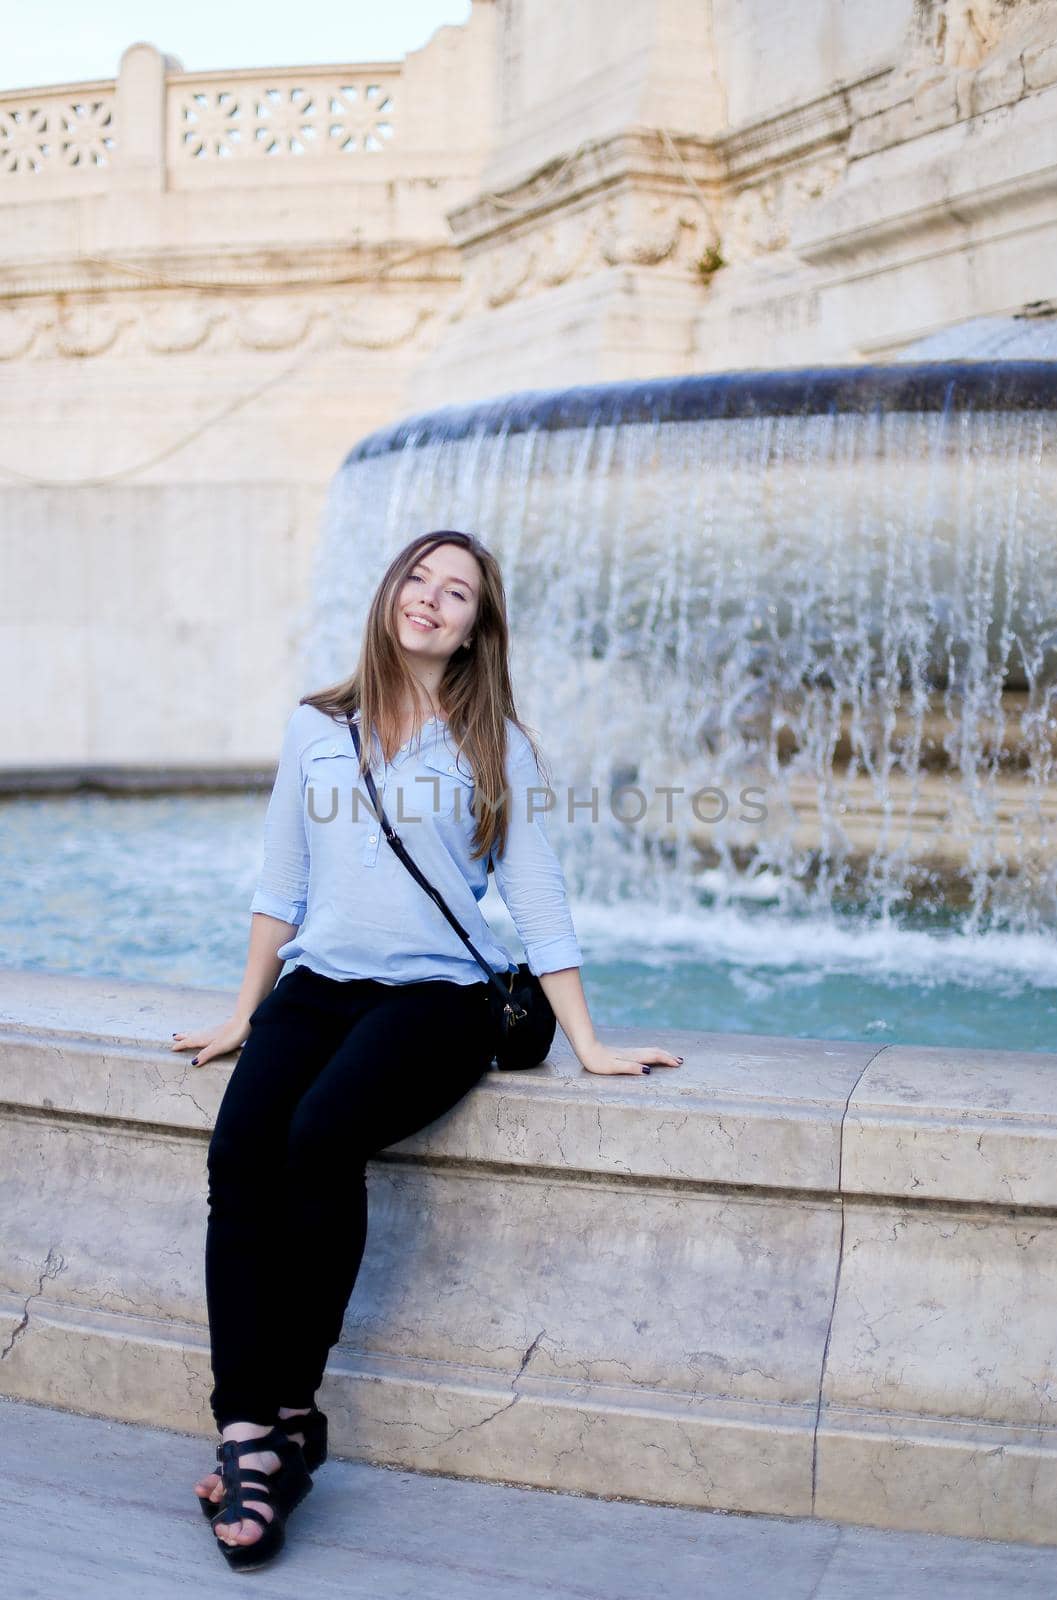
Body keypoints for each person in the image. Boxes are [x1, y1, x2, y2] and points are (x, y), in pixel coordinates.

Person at [170, 529, 682, 1570]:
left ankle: (285, 1411)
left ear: (474, 628)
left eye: (458, 594)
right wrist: (242, 1010)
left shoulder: (498, 744)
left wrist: (584, 1038)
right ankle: (248, 1430)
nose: (432, 600)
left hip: (439, 998)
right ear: (390, 592)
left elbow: (533, 892)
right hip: (319, 987)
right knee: (237, 1158)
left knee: (318, 1137)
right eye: (420, 578)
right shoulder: (317, 727)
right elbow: (281, 883)